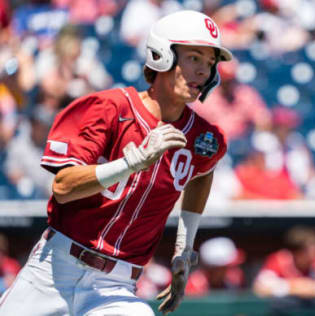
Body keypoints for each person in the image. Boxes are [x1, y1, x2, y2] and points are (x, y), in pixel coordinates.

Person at [0, 10, 231, 316]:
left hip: (116, 287)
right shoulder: (108, 108)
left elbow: (204, 170)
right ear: (162, 55)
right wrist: (130, 163)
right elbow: (63, 187)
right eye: (194, 58)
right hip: (53, 272)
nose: (204, 71)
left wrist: (184, 248)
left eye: (210, 63)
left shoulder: (204, 137)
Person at [253, 226, 315, 299]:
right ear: (298, 252)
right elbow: (260, 288)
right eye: (314, 249)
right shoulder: (280, 259)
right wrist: (291, 286)